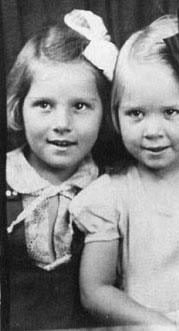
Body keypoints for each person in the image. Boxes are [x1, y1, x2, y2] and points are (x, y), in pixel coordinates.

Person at [69, 8, 179, 331]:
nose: (152, 130)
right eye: (136, 113)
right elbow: (93, 292)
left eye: (171, 112)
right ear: (116, 115)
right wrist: (159, 324)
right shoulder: (112, 194)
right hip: (143, 323)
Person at [6, 10, 118, 330]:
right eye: (44, 105)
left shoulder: (115, 185)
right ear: (19, 107)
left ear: (104, 113)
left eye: (80, 106)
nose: (62, 125)